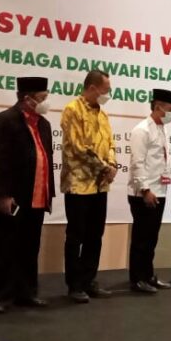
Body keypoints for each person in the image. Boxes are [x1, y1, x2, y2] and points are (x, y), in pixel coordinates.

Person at [0, 77, 55, 314]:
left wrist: (48, 193)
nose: (46, 102)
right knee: (5, 246)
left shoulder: (43, 124)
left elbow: (46, 158)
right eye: (42, 98)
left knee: (30, 247)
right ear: (28, 98)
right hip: (13, 196)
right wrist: (3, 194)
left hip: (37, 195)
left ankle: (26, 293)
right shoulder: (4, 120)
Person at [60, 70, 117, 303]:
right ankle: (74, 285)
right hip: (78, 183)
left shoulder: (103, 114)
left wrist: (112, 164)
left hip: (100, 185)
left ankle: (88, 279)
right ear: (92, 88)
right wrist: (104, 167)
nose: (108, 94)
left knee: (95, 235)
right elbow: (77, 147)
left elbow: (110, 143)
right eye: (106, 90)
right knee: (76, 236)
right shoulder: (72, 109)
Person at [128, 89, 171, 294]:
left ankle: (148, 275)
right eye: (170, 109)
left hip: (159, 190)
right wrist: (145, 189)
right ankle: (137, 279)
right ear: (158, 107)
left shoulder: (161, 128)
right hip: (144, 193)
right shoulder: (142, 130)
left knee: (151, 238)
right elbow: (137, 162)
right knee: (141, 238)